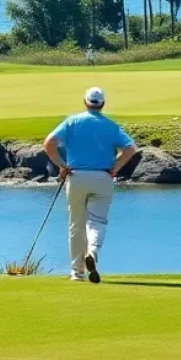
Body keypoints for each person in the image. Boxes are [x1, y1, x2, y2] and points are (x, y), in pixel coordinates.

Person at [43, 87, 137, 284]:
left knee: (76, 225)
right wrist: (116, 167)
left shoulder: (72, 122)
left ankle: (77, 273)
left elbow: (49, 143)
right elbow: (130, 148)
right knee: (97, 221)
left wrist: (62, 165)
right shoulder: (111, 126)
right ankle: (92, 252)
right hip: (103, 177)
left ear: (85, 102)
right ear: (103, 104)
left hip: (76, 176)